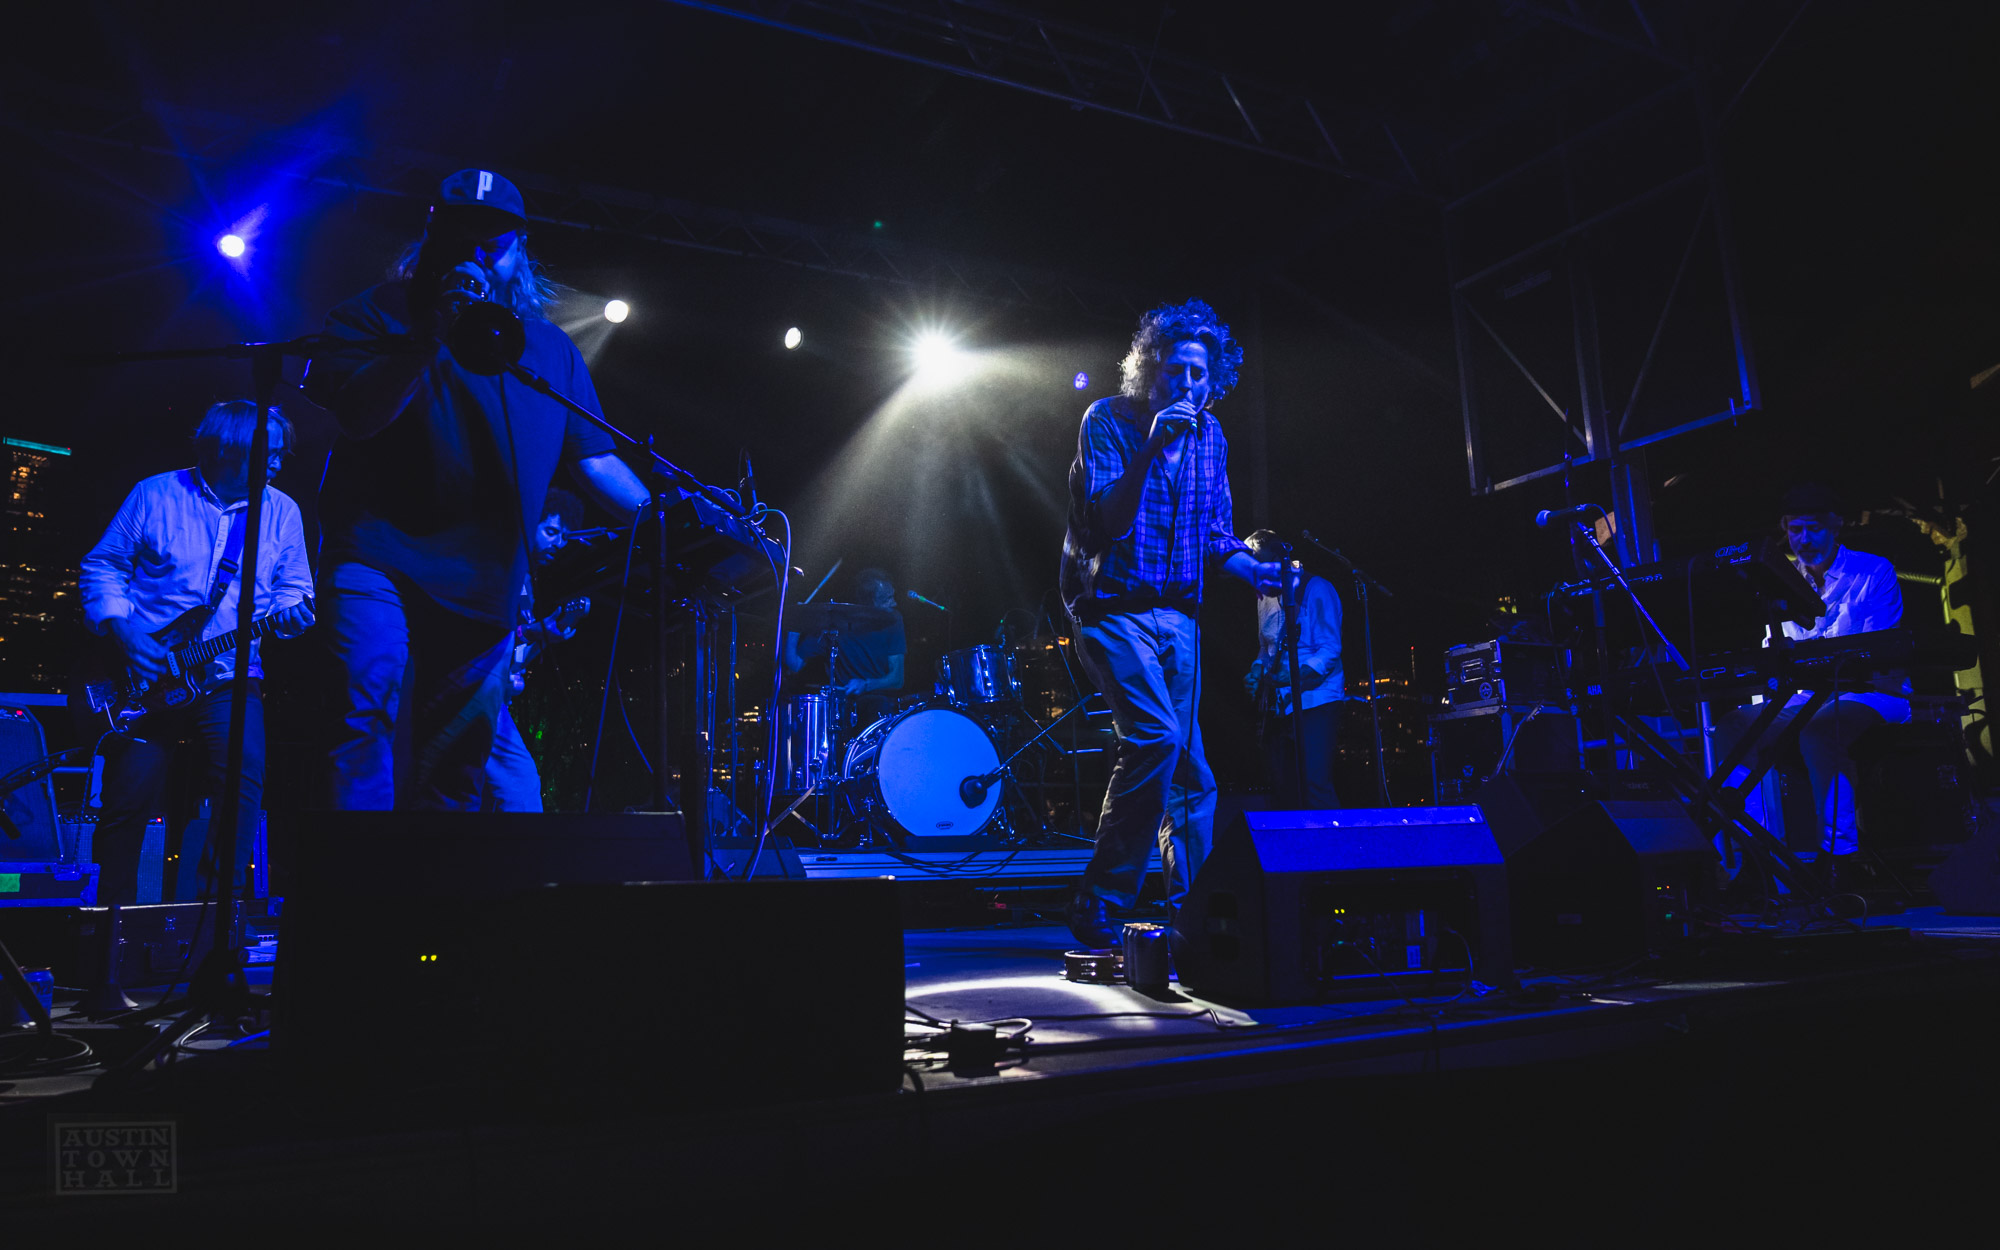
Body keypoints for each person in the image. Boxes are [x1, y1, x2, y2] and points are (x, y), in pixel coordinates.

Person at [304, 169, 648, 810]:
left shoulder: (550, 349)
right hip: (377, 560)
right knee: (363, 715)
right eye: (460, 240)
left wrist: (669, 517)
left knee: (457, 764)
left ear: (519, 251)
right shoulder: (372, 314)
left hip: (485, 585)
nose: (476, 256)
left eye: (493, 244)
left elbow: (595, 460)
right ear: (431, 238)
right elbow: (358, 415)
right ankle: (355, 874)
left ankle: (439, 879)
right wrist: (431, 334)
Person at [1059, 298, 1282, 947]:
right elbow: (1109, 522)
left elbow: (1216, 537)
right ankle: (1100, 900)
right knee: (1155, 738)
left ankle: (1196, 911)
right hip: (1112, 609)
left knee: (1191, 773)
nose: (1186, 385)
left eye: (1198, 374)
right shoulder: (1108, 420)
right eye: (1174, 371)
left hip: (1179, 618)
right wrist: (1152, 448)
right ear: (1149, 369)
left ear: (1213, 380)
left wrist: (1256, 571)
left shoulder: (1213, 438)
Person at [79, 401, 316, 903]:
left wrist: (292, 614)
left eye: (281, 453)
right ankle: (110, 922)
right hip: (146, 674)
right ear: (228, 450)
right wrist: (124, 632)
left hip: (230, 676)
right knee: (127, 800)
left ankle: (216, 922)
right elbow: (103, 566)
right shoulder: (155, 494)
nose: (279, 463)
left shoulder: (283, 511)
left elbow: (293, 589)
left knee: (243, 789)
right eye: (269, 453)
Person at [1711, 482, 1905, 865]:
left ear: (1835, 526)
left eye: (1814, 528)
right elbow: (1777, 655)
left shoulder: (1873, 570)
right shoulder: (1782, 580)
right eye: (1795, 529)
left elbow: (1879, 652)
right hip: (1806, 700)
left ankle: (1840, 857)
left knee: (1820, 728)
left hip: (1872, 694)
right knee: (1733, 726)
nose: (1804, 539)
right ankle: (1757, 853)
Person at [482, 488, 588, 812]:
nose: (559, 544)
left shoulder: (526, 580)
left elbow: (513, 655)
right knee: (521, 782)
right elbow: (484, 633)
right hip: (476, 691)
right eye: (551, 532)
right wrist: (531, 631)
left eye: (565, 537)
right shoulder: (501, 565)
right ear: (528, 523)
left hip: (491, 694)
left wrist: (543, 638)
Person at [1242, 529, 1344, 808]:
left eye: (1256, 561)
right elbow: (1266, 648)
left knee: (1314, 783)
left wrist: (1293, 676)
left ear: (1277, 558)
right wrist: (1256, 671)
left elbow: (1330, 649)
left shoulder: (1316, 588)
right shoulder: (1264, 598)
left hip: (1316, 700)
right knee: (1284, 788)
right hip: (1279, 706)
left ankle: (1334, 835)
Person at [782, 567, 906, 726]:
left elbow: (897, 679)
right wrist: (794, 627)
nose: (894, 603)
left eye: (892, 596)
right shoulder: (833, 623)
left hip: (879, 703)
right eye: (886, 599)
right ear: (869, 603)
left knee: (877, 705)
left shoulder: (893, 620)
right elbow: (794, 664)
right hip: (842, 705)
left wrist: (866, 685)